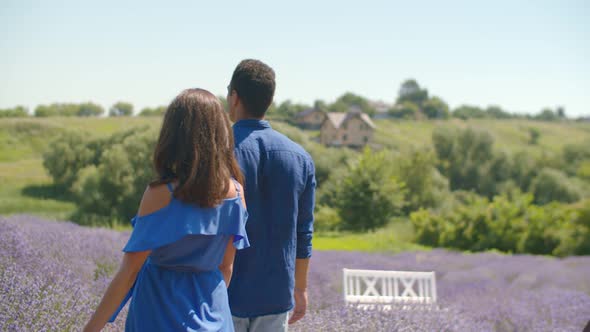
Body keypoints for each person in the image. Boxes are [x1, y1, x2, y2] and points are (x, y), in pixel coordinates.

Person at [83, 88, 249, 332]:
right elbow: (226, 267)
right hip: (214, 316)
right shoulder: (236, 193)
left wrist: (90, 329)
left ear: (174, 134)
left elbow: (130, 271)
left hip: (157, 312)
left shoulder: (160, 194)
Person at [226, 59, 316, 331]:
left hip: (224, 294)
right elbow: (304, 232)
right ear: (270, 100)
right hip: (276, 295)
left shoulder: (215, 153)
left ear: (234, 97)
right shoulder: (301, 158)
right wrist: (300, 288)